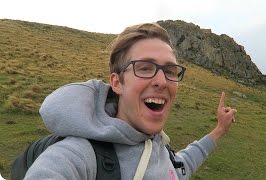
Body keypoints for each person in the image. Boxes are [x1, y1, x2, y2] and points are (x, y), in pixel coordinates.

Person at [23, 22, 237, 180]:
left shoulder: (160, 148)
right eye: (144, 68)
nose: (162, 81)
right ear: (117, 83)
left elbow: (182, 167)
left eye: (170, 70)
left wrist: (219, 128)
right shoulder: (80, 154)